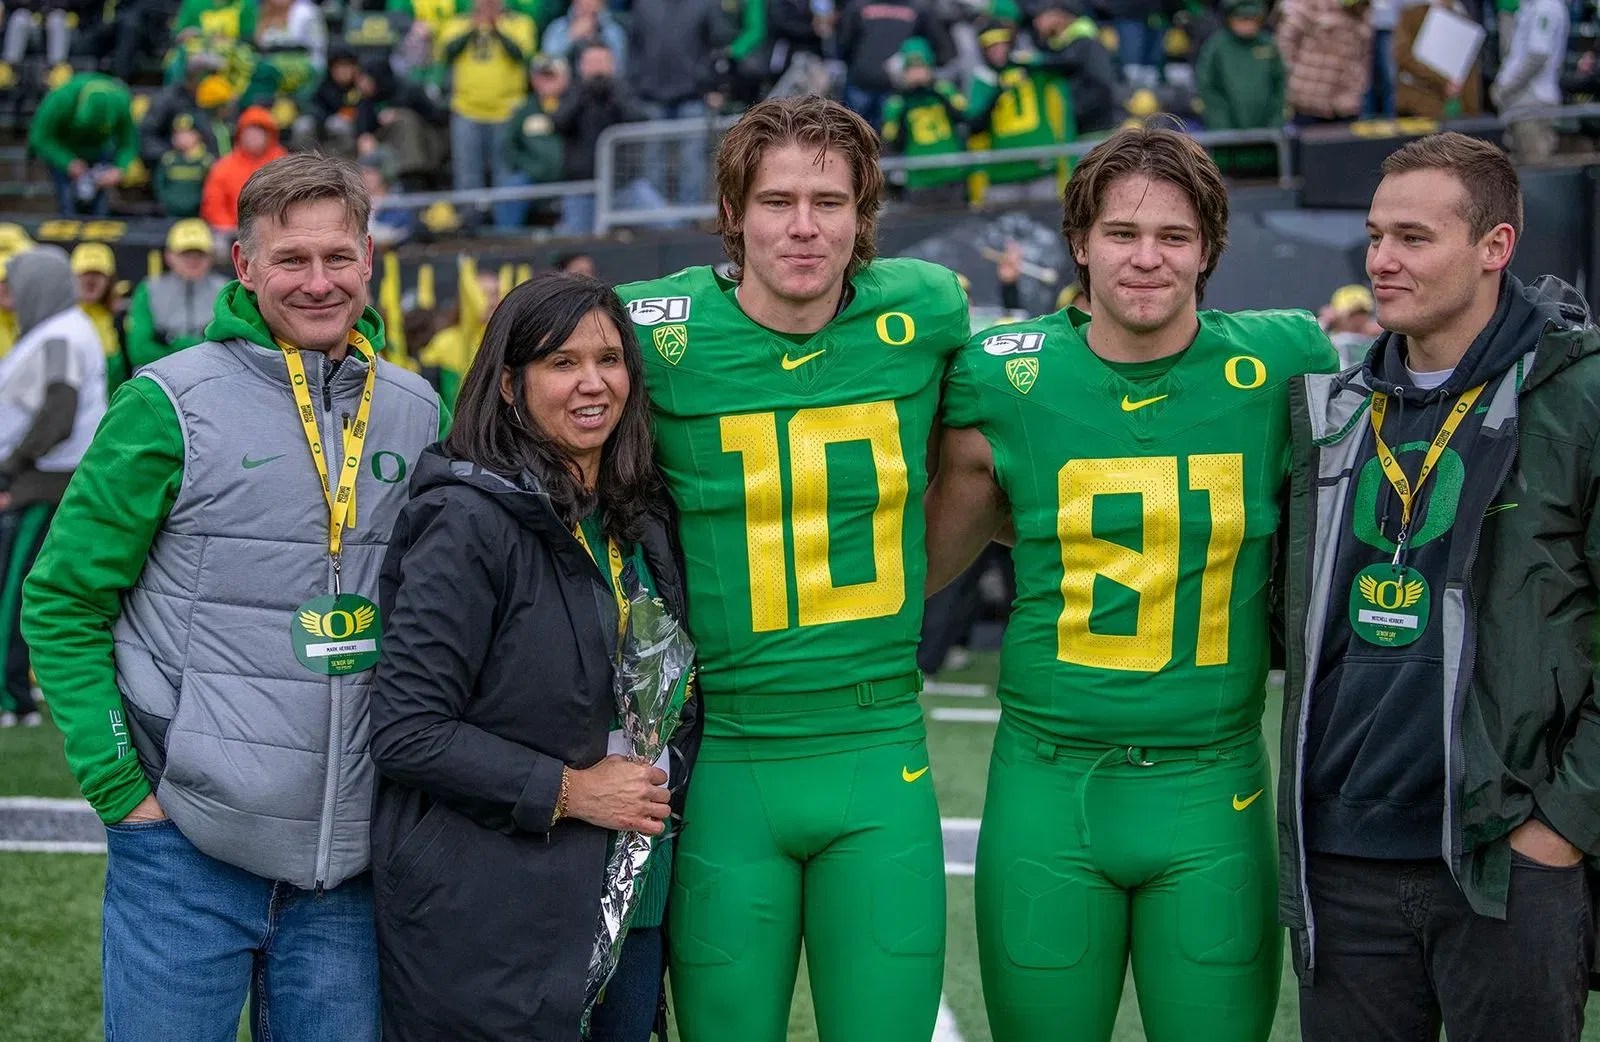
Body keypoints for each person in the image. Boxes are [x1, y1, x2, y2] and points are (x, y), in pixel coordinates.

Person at [924, 122, 1338, 1042]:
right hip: (1047, 784)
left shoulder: (1284, 361)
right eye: (1121, 232)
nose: (1146, 259)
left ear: (1210, 251)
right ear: (1079, 242)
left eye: (1174, 237)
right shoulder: (1006, 376)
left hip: (1215, 785)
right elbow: (925, 566)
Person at [21, 153, 447, 1041]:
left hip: (352, 867)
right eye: (291, 259)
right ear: (244, 266)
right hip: (186, 849)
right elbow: (62, 601)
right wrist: (124, 794)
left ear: (370, 258)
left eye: (338, 257)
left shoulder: (415, 409)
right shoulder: (167, 404)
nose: (319, 281)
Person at [616, 94, 970, 1042]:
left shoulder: (926, 310)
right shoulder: (653, 332)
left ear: (865, 218)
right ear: (733, 213)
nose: (803, 226)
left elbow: (992, 468)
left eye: (829, 201)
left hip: (877, 736)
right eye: (776, 201)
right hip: (727, 749)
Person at [1280, 131, 1600, 1042]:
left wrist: (1561, 826)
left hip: (1506, 863)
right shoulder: (1333, 408)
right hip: (1341, 865)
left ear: (1495, 247)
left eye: (1414, 238)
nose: (1382, 260)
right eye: (1376, 235)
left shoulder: (1579, 399)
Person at [370, 270, 701, 1041]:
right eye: (562, 363)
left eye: (610, 359)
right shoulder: (465, 518)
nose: (593, 383)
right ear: (511, 386)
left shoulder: (638, 514)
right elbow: (407, 730)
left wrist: (661, 774)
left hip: (632, 904)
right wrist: (573, 791)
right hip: (494, 919)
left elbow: (667, 695)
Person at [0, 246, 105, 728]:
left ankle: (9, 696)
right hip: (38, 481)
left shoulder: (62, 335)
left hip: (41, 485)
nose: (10, 296)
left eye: (15, 286)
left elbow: (58, 415)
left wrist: (11, 471)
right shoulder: (57, 331)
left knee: (12, 595)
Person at [123, 219, 229, 374]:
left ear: (211, 256)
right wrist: (182, 353)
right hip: (159, 377)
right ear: (169, 255)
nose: (193, 260)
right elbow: (138, 350)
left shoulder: (226, 289)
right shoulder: (150, 289)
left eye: (200, 253)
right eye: (185, 253)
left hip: (212, 375)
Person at [27, 71, 140, 217]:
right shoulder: (61, 98)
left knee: (100, 208)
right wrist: (67, 162)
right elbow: (39, 137)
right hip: (64, 148)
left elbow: (128, 143)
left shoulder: (120, 101)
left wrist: (119, 169)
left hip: (100, 150)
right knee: (67, 203)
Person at [1490, 0, 1568, 163]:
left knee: (1536, 169)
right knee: (1522, 173)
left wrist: (1506, 89)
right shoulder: (1529, 6)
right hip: (1520, 103)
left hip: (1532, 103)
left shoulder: (1546, 7)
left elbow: (1538, 56)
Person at [1277, 0, 1372, 124]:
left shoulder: (1363, 12)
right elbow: (1285, 44)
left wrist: (1355, 91)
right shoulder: (1311, 4)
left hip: (1345, 107)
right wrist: (1294, 79)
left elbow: (1364, 59)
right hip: (1308, 104)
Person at [201, 106, 288, 238]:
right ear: (240, 135)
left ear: (269, 135)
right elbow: (213, 205)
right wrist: (234, 229)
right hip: (234, 232)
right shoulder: (224, 166)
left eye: (259, 132)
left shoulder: (283, 163)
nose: (253, 137)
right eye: (249, 132)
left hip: (278, 230)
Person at [69, 242, 126, 390]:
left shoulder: (121, 319)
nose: (91, 281)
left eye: (98, 274)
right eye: (85, 273)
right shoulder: (60, 318)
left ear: (110, 280)